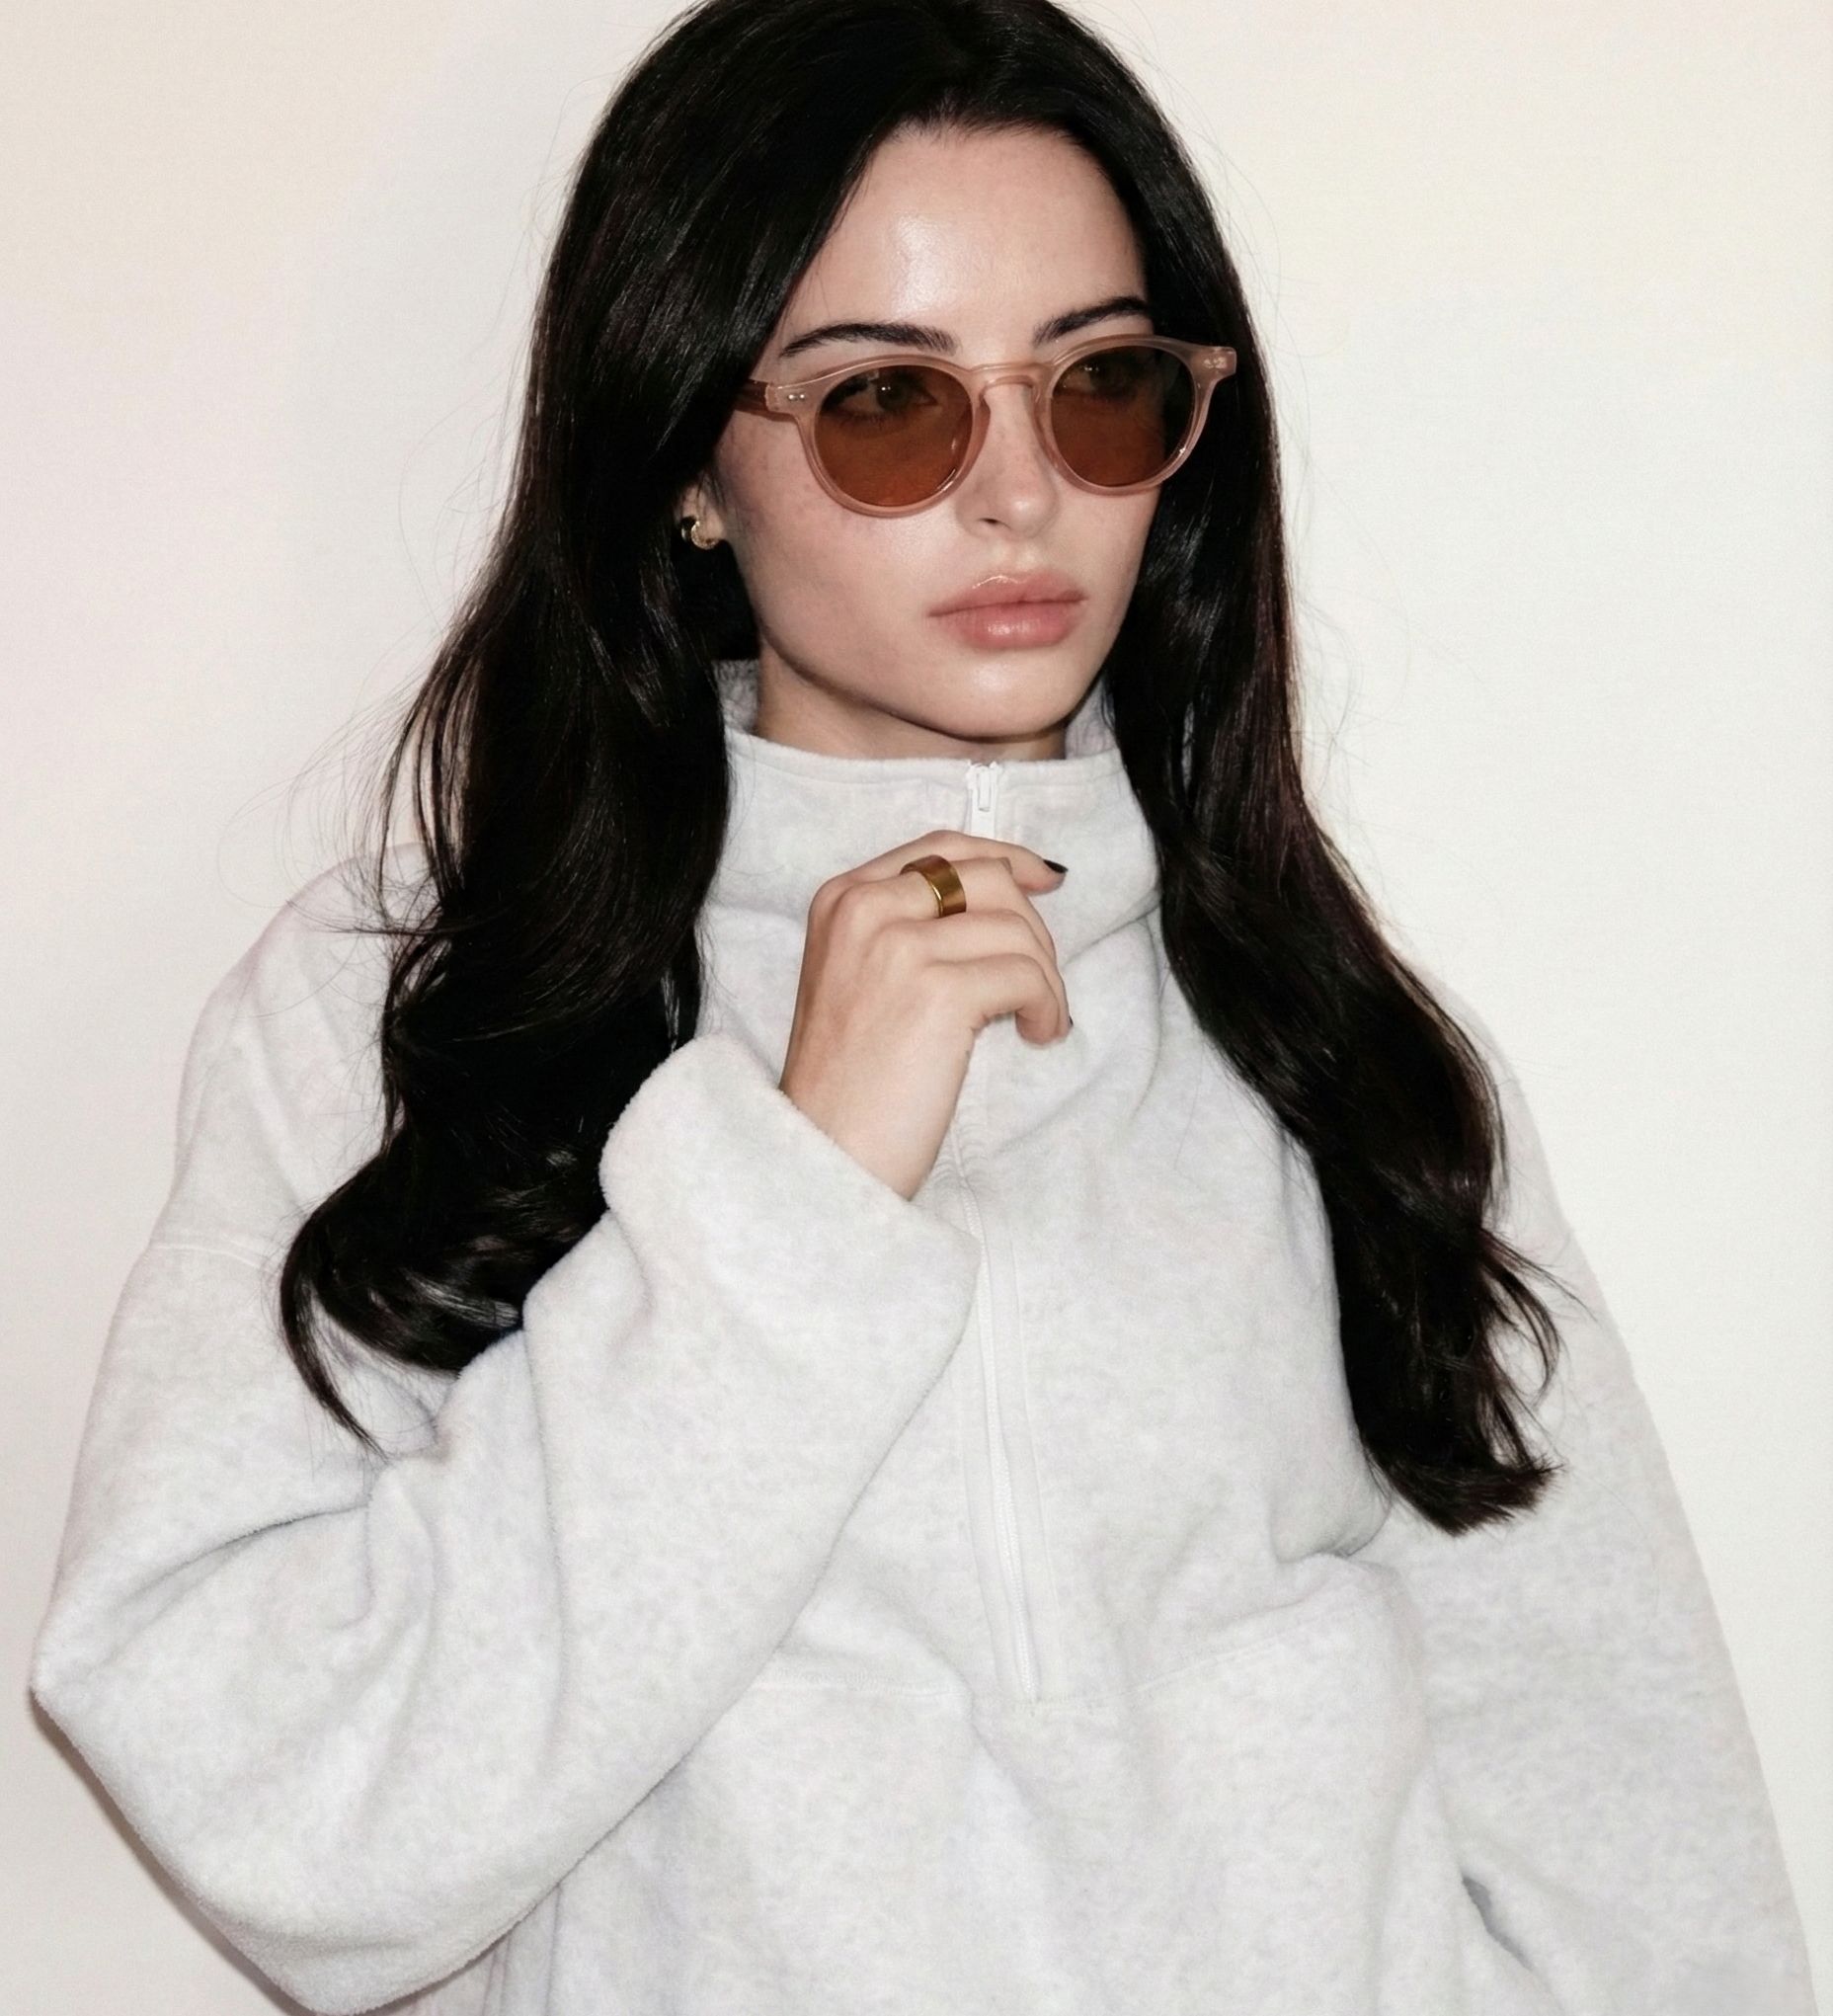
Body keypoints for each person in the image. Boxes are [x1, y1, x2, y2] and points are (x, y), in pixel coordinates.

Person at [32, 0, 1813, 2010]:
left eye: (1103, 389)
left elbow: (1631, 1839)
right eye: (890, 404)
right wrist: (788, 1200)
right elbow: (287, 1819)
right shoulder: (419, 1014)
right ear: (692, 463)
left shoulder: (1327, 1039)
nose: (1021, 496)